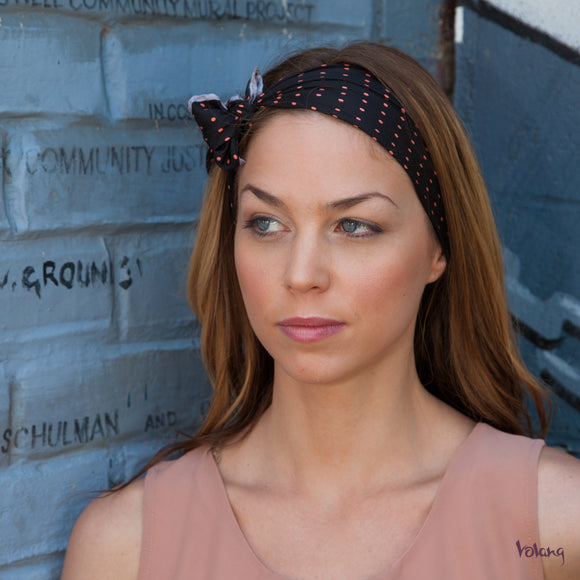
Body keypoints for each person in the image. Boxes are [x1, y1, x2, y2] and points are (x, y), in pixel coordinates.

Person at [62, 42, 580, 579]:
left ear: (438, 249)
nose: (301, 274)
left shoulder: (555, 528)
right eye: (266, 223)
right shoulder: (128, 545)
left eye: (354, 226)